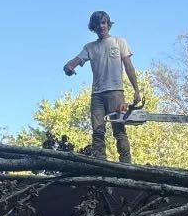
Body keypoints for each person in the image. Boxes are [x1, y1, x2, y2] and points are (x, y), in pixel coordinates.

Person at [61, 10, 142, 163]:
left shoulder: (119, 42)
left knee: (119, 128)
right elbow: (77, 60)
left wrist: (136, 90)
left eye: (103, 23)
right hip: (97, 95)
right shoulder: (90, 47)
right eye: (97, 24)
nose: (101, 26)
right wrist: (69, 66)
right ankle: (100, 163)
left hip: (116, 92)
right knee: (98, 130)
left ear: (108, 24)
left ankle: (126, 164)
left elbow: (129, 66)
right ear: (93, 27)